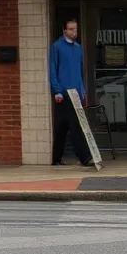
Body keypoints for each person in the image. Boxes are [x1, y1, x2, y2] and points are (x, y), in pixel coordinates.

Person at [48, 18, 93, 167]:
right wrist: (57, 91)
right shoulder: (57, 47)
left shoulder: (78, 48)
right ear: (65, 31)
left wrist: (83, 90)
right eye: (71, 29)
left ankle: (56, 157)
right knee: (76, 125)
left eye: (76, 29)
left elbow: (79, 72)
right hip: (64, 92)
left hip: (76, 92)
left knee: (63, 126)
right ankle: (85, 157)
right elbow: (53, 70)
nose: (74, 32)